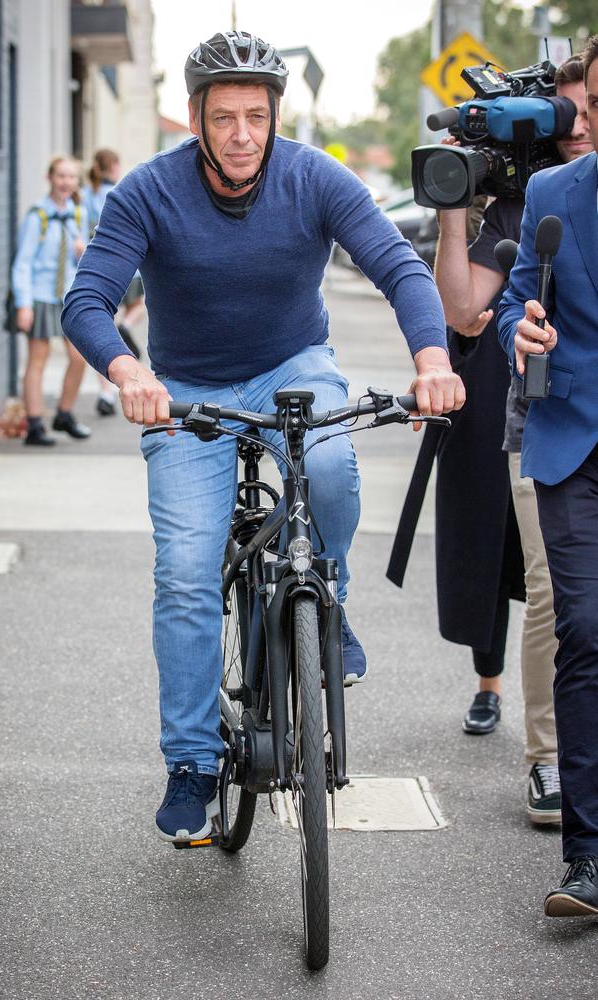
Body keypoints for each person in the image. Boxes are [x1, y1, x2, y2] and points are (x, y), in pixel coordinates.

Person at [62, 31, 465, 843]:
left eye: (256, 116)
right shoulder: (147, 192)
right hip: (185, 389)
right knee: (184, 571)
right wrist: (129, 374)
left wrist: (431, 360)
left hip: (292, 366)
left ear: (276, 117)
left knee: (332, 467)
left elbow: (400, 267)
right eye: (224, 117)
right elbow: (87, 300)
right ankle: (190, 761)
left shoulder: (314, 176)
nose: (242, 133)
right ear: (195, 119)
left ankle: (331, 597)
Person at [429, 55, 591, 823]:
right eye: (566, 113)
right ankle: (549, 763)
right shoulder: (530, 200)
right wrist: (454, 197)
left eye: (586, 109)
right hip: (545, 426)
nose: (578, 125)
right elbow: (464, 312)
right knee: (555, 595)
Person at [497, 35, 598, 915]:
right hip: (574, 441)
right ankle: (588, 859)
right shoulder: (551, 193)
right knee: (587, 630)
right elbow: (514, 296)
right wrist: (519, 329)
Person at [11, 155, 91, 445]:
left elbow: (80, 260)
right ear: (50, 178)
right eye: (61, 176)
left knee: (80, 357)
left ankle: (64, 414)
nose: (66, 182)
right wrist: (24, 304)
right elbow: (22, 263)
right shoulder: (37, 217)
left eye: (71, 177)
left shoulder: (78, 214)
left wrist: (83, 252)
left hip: (67, 294)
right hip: (42, 296)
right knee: (38, 361)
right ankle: (34, 425)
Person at [80, 148, 147, 416]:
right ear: (115, 166)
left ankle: (106, 392)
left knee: (103, 326)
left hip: (99, 267)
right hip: (128, 269)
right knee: (139, 305)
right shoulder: (120, 192)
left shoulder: (86, 197)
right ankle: (127, 326)